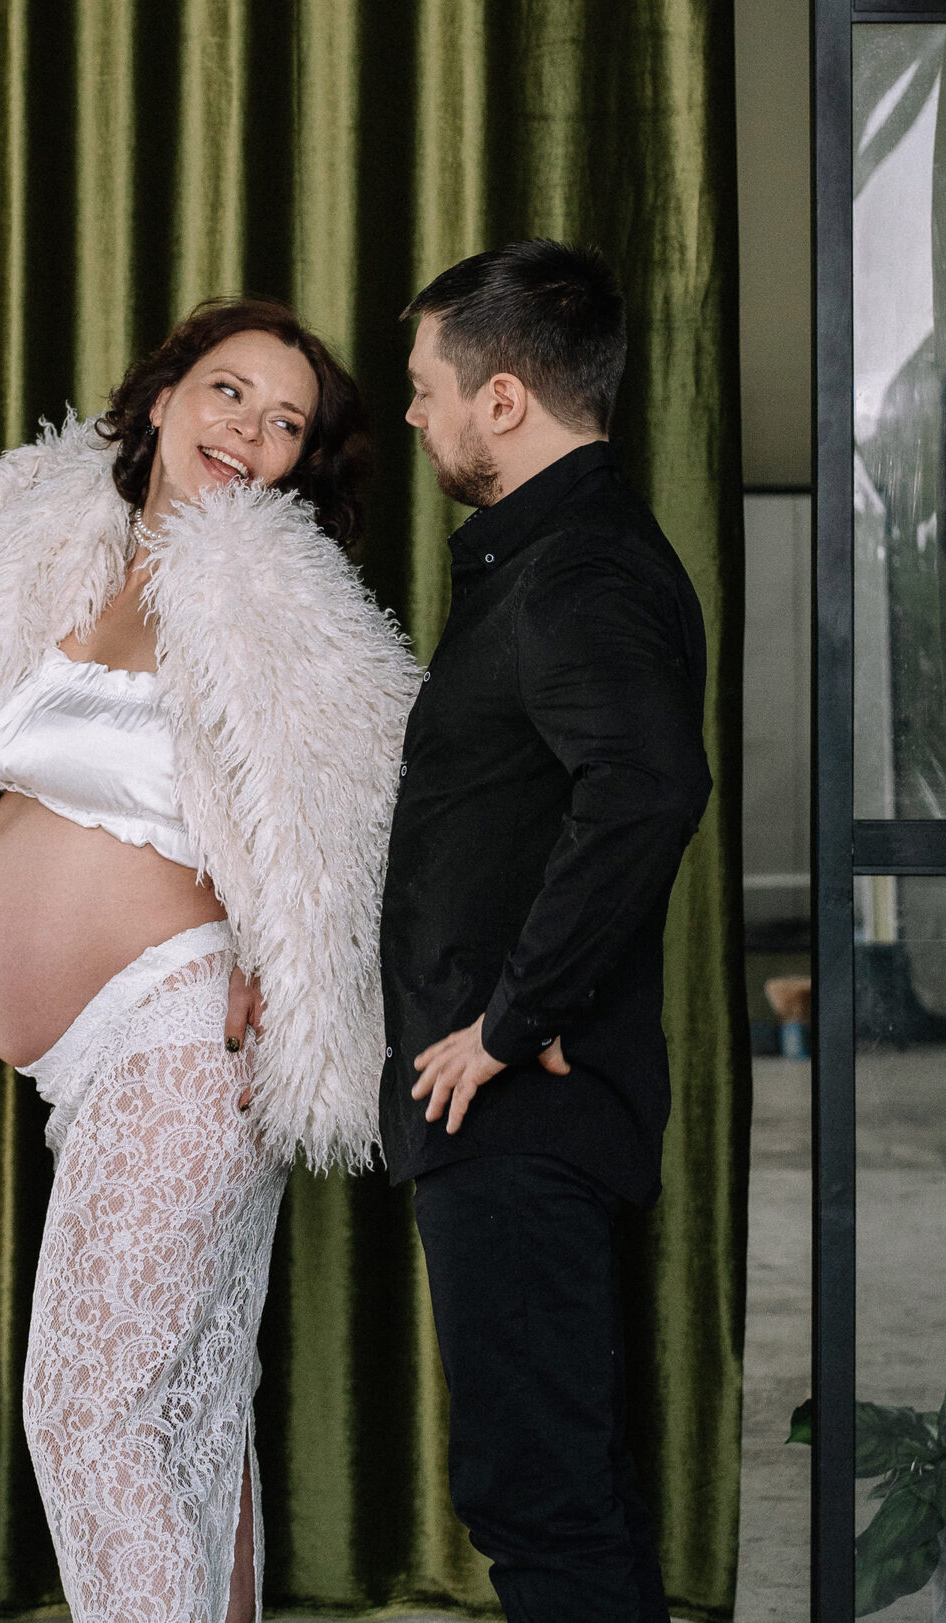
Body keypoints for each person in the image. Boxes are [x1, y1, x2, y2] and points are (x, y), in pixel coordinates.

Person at [0, 221, 420, 1623]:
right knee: (180, 1413)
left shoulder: (270, 588)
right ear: (163, 395)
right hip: (99, 1065)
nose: (250, 428)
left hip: (180, 1040)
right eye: (229, 389)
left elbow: (362, 794)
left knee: (87, 1411)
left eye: (286, 421)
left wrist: (295, 965)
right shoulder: (63, 532)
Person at [381, 240, 713, 1623]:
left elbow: (647, 785)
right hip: (520, 1111)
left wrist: (516, 1021)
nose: (414, 412)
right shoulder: (560, 556)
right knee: (560, 1490)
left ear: (503, 398)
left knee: (542, 1499)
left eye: (427, 385)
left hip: (519, 1113)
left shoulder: (576, 569)